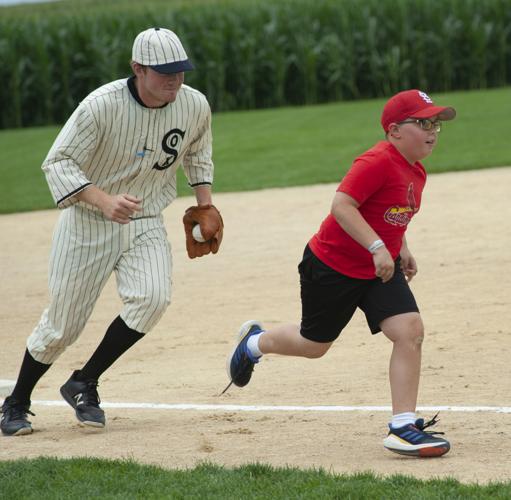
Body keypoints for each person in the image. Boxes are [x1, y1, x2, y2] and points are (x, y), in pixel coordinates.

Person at [1, 27, 223, 436]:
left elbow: (197, 152)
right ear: (137, 68)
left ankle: (84, 381)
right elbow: (58, 162)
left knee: (152, 298)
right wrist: (103, 200)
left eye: (181, 71)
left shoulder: (193, 105)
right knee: (63, 326)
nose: (175, 79)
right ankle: (16, 402)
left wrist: (205, 204)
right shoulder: (100, 106)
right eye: (164, 72)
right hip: (89, 223)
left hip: (146, 221)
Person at [225, 89, 455, 458]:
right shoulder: (376, 161)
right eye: (423, 122)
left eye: (436, 124)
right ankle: (254, 343)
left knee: (409, 330)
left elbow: (389, 211)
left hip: (379, 267)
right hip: (333, 266)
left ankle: (402, 427)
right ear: (394, 131)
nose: (432, 130)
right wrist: (378, 247)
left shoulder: (415, 170)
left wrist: (400, 247)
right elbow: (343, 205)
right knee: (314, 346)